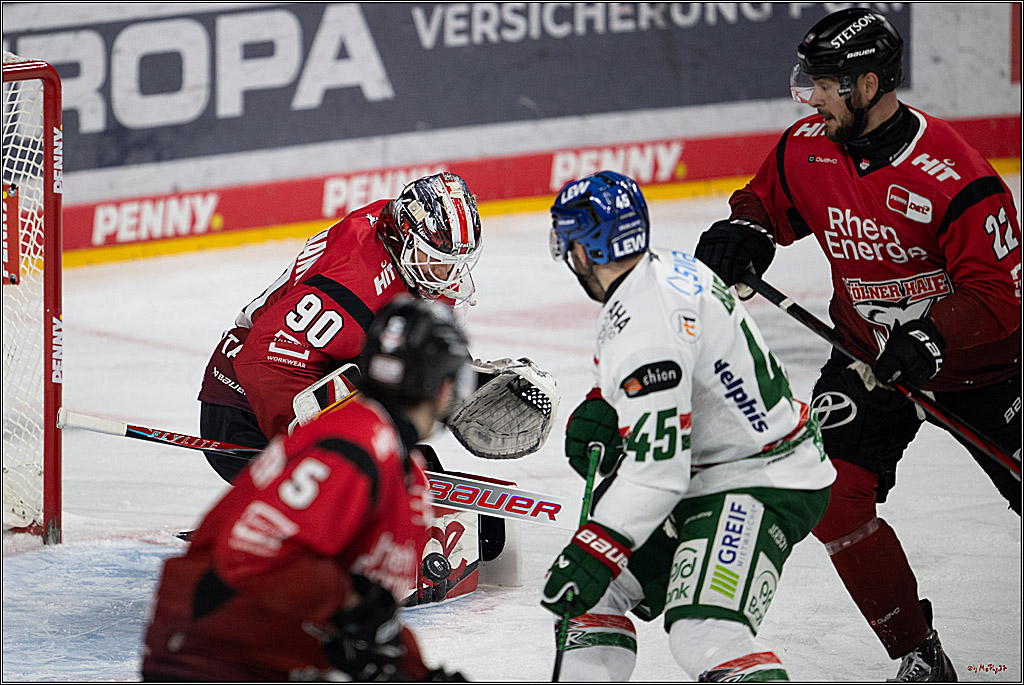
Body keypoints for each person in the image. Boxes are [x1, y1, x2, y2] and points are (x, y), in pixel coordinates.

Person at [694, 7, 1021, 682]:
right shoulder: (805, 148)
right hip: (869, 358)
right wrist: (745, 232)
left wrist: (931, 338)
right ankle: (918, 653)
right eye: (808, 82)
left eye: (824, 83)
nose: (810, 97)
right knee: (833, 492)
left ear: (868, 87)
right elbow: (765, 202)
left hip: (983, 371)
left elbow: (1001, 296)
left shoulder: (958, 177)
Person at [539, 170, 836, 681]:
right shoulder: (661, 272)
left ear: (584, 250)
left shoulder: (647, 326)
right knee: (592, 597)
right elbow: (666, 373)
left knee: (704, 630)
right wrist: (605, 407)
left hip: (759, 479)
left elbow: (658, 471)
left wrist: (593, 547)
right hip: (716, 462)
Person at [142, 296, 471, 681]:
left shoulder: (400, 463)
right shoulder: (356, 446)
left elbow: (370, 614)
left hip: (266, 653)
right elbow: (255, 553)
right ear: (444, 387)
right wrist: (352, 607)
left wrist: (416, 672)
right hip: (212, 657)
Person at [197, 171, 482, 483]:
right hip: (242, 411)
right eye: (437, 261)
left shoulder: (396, 232)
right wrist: (326, 455)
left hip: (283, 375)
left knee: (402, 365)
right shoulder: (355, 283)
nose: (448, 275)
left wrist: (472, 381)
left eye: (456, 263)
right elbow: (263, 361)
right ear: (407, 238)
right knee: (393, 373)